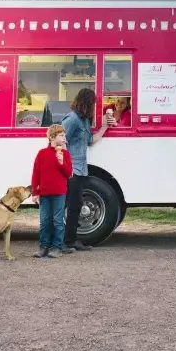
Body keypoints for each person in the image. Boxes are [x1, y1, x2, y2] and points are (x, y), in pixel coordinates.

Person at [61, 88, 115, 252]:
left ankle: (71, 240)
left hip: (81, 169)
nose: (94, 107)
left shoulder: (84, 121)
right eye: (92, 103)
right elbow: (60, 141)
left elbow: (91, 140)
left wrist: (105, 125)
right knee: (69, 205)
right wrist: (65, 166)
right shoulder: (71, 120)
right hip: (72, 170)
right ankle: (66, 241)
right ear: (87, 102)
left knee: (75, 205)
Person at [31, 124, 73, 259]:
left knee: (58, 221)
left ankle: (57, 247)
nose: (64, 137)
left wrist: (61, 163)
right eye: (62, 135)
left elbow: (69, 174)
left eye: (64, 135)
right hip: (44, 193)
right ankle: (43, 246)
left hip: (59, 193)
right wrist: (34, 192)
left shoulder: (65, 154)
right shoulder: (42, 153)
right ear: (52, 137)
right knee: (45, 220)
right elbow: (36, 173)